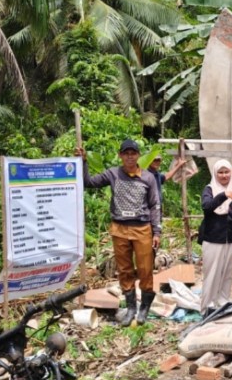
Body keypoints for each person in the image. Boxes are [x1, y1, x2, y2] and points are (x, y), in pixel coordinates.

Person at [76, 139, 161, 326]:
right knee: (124, 269)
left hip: (142, 228)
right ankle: (131, 308)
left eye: (133, 153)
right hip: (120, 228)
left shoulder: (148, 178)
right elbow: (88, 182)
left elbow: (155, 205)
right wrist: (83, 162)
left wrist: (157, 231)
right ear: (120, 155)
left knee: (146, 268)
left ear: (138, 155)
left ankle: (144, 308)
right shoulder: (113, 174)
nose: (130, 157)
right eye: (126, 153)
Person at [199, 159, 232, 315]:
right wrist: (223, 195)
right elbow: (207, 207)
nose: (224, 175)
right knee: (211, 273)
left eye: (227, 172)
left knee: (227, 273)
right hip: (213, 238)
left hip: (231, 238)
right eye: (220, 172)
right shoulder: (209, 189)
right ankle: (207, 306)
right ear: (215, 173)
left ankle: (223, 301)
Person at [147, 153, 186, 218]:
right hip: (149, 208)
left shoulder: (157, 174)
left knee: (157, 225)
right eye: (154, 160)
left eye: (158, 160)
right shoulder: (146, 175)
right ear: (149, 161)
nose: (156, 162)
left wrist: (178, 165)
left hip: (157, 207)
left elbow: (166, 176)